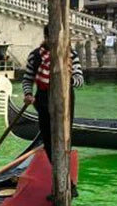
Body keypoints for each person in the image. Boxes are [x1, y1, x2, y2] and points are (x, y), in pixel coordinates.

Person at [21, 24, 84, 164]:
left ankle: (64, 176)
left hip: (65, 100)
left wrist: (68, 78)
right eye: (52, 37)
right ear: (46, 37)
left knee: (65, 137)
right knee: (48, 139)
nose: (56, 41)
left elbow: (80, 82)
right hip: (43, 100)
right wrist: (28, 94)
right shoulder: (35, 56)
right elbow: (27, 79)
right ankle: (55, 170)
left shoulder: (71, 55)